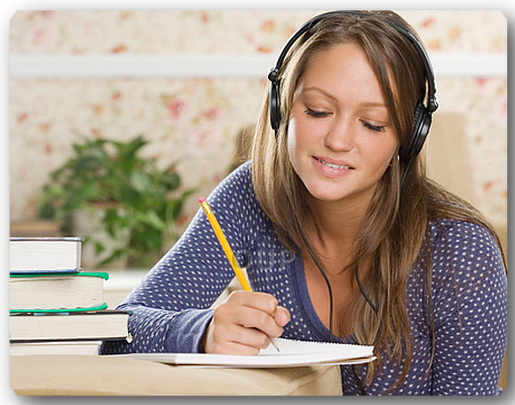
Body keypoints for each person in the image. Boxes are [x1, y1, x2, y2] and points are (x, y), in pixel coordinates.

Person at [100, 11, 507, 395]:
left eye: (372, 124)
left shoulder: (462, 253)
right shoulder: (249, 196)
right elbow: (117, 332)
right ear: (282, 108)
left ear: (408, 137)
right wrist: (201, 332)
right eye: (318, 110)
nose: (338, 140)